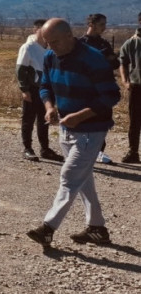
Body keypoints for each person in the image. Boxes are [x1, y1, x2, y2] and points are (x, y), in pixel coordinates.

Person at [26, 18, 120, 248]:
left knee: (69, 177)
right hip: (67, 129)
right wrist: (49, 107)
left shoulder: (93, 58)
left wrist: (80, 116)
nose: (51, 47)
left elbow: (111, 96)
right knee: (83, 179)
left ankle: (47, 228)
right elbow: (45, 86)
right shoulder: (50, 57)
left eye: (55, 41)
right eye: (47, 42)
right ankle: (97, 229)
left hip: (91, 130)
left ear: (70, 35)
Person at [16, 19, 63, 162]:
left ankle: (45, 149)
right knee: (28, 119)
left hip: (46, 90)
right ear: (35, 29)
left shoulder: (50, 47)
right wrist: (24, 90)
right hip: (32, 89)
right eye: (42, 29)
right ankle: (27, 148)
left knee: (45, 120)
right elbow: (20, 69)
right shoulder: (28, 47)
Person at [79, 13, 121, 163]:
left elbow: (115, 63)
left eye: (105, 24)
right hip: (85, 90)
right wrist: (103, 59)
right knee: (85, 119)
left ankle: (99, 151)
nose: (105, 27)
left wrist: (105, 59)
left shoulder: (104, 44)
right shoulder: (80, 44)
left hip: (103, 89)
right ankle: (82, 150)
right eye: (102, 24)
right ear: (91, 24)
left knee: (103, 120)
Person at [118, 11, 141, 163]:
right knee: (135, 121)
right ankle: (133, 152)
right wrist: (125, 81)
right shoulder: (131, 43)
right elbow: (123, 63)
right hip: (137, 86)